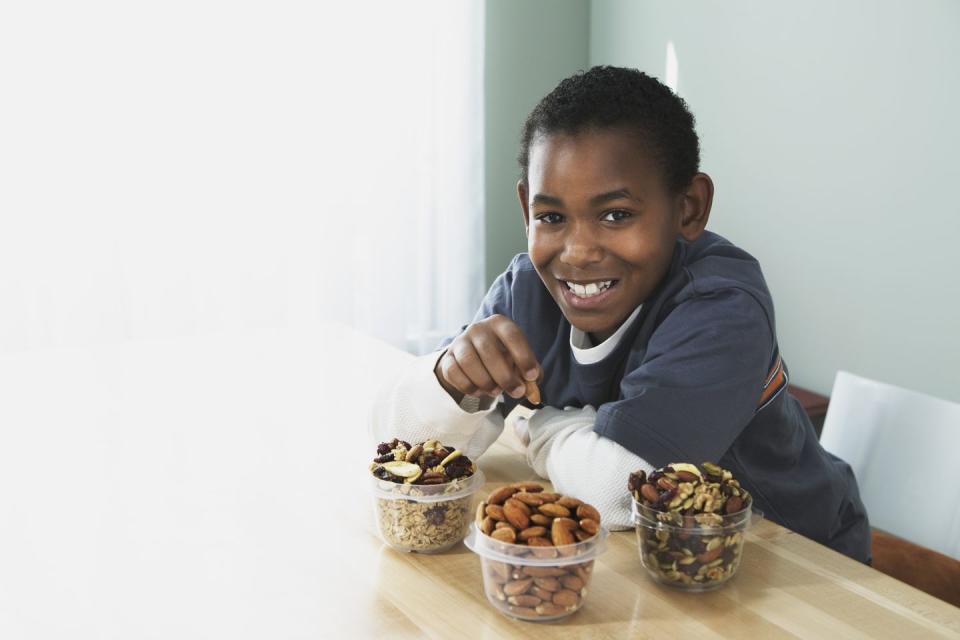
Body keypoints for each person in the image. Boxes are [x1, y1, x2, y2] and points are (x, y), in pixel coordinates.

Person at [369, 65, 871, 563]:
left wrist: (542, 427)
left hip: (794, 557)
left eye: (616, 215)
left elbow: (619, 491)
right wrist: (450, 382)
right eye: (552, 217)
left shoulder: (723, 304)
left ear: (689, 208)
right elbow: (401, 453)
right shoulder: (530, 290)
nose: (579, 251)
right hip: (655, 559)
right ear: (526, 210)